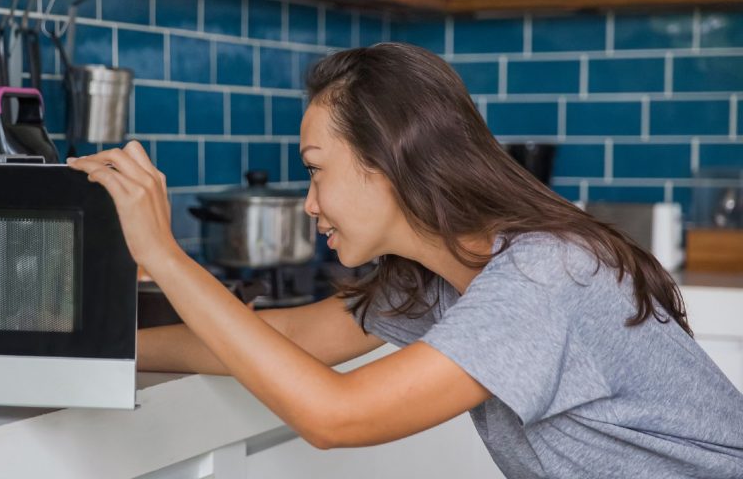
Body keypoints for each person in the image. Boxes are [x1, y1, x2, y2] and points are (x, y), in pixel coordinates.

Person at [66, 43, 743, 478]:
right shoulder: (444, 278)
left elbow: (339, 417)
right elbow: (295, 336)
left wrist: (163, 254)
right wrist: (91, 348)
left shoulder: (543, 277)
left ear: (387, 162)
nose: (309, 204)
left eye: (316, 170)